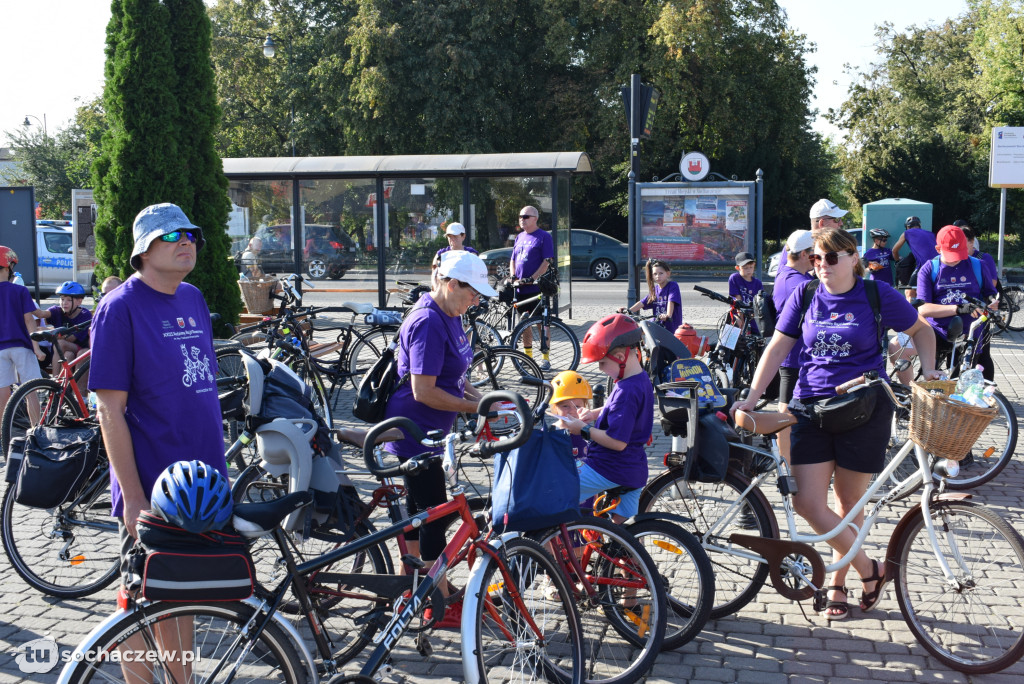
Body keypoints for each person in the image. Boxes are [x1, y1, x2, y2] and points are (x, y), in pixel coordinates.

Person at [731, 228, 939, 621]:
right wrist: (754, 395)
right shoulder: (805, 294)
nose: (822, 265)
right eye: (816, 259)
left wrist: (927, 372)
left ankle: (837, 584)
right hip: (810, 408)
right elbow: (778, 346)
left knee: (848, 504)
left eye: (831, 258)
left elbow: (921, 330)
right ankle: (870, 569)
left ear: (852, 258)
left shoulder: (877, 294)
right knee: (807, 501)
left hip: (864, 409)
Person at [382, 249, 497, 628]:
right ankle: (438, 602)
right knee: (433, 519)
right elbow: (424, 391)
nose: (476, 300)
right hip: (413, 431)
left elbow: (457, 375)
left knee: (420, 517)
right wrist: (474, 410)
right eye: (472, 293)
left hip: (431, 432)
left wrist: (490, 401)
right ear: (450, 284)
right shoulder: (429, 321)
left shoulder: (451, 314)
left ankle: (410, 588)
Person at [553, 314, 653, 523]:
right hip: (634, 468)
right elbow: (615, 407)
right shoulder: (638, 379)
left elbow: (617, 442)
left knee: (555, 487)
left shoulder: (626, 390)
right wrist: (593, 414)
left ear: (620, 355)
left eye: (602, 363)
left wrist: (583, 429)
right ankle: (621, 553)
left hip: (609, 467)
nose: (600, 369)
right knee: (618, 536)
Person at [917, 224, 998, 380]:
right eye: (951, 255)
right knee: (932, 379)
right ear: (938, 249)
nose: (956, 260)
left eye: (959, 253)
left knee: (962, 379)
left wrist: (992, 301)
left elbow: (989, 293)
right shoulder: (929, 269)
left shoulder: (977, 265)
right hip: (938, 332)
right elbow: (923, 309)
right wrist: (959, 308)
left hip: (970, 332)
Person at [772, 230, 815, 463]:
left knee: (787, 410)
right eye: (815, 256)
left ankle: (788, 461)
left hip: (793, 356)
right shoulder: (799, 283)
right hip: (794, 356)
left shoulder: (786, 274)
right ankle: (786, 463)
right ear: (805, 255)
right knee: (786, 413)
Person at [0, 245, 44, 421]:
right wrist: (37, 348)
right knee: (30, 391)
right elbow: (29, 321)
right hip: (21, 347)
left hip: (0, 350)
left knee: (2, 394)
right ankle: (36, 432)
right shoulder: (20, 291)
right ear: (9, 266)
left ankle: (3, 439)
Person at [508, 206, 554, 369]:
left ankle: (545, 358)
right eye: (520, 216)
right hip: (520, 289)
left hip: (536, 289)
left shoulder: (543, 237)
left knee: (542, 324)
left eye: (526, 216)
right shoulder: (519, 237)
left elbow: (546, 261)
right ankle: (528, 358)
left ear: (535, 218)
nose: (522, 219)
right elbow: (513, 259)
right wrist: (513, 275)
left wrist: (532, 278)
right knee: (524, 323)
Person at [35, 281, 92, 375]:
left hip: (80, 349)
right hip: (66, 352)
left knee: (60, 343)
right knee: (68, 355)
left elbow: (71, 338)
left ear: (79, 301)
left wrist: (48, 331)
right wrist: (26, 304)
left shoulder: (85, 315)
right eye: (62, 299)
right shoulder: (57, 311)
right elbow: (41, 314)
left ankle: (55, 380)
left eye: (69, 300)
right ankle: (59, 386)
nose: (64, 303)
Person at [625, 259, 682, 331]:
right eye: (655, 274)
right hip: (657, 325)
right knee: (638, 330)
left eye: (661, 273)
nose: (658, 276)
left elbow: (671, 301)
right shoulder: (655, 290)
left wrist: (668, 315)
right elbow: (642, 302)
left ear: (668, 273)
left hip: (671, 328)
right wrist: (626, 312)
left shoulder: (673, 286)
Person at [891, 216, 936, 296]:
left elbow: (894, 251)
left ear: (908, 227)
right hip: (939, 264)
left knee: (909, 292)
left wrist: (898, 261)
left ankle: (911, 308)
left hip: (925, 266)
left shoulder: (907, 233)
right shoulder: (931, 234)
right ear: (919, 226)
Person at [729, 252, 763, 333]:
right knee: (730, 341)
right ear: (738, 268)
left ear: (754, 265)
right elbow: (738, 299)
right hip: (737, 315)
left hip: (753, 317)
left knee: (754, 341)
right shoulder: (734, 278)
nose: (749, 270)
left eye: (751, 267)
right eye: (745, 268)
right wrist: (740, 318)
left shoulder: (758, 283)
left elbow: (760, 301)